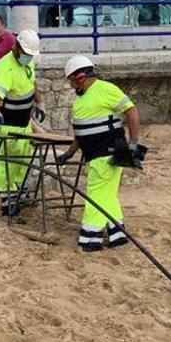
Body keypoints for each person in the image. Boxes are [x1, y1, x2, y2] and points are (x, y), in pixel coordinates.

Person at [59, 55, 141, 251]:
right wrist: (71, 152)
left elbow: (131, 111)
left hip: (107, 153)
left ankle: (90, 239)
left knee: (95, 196)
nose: (71, 86)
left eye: (71, 81)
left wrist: (133, 142)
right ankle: (117, 234)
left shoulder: (106, 89)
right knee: (107, 195)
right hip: (96, 154)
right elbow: (83, 130)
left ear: (79, 77)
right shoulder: (83, 99)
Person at [0, 30, 46, 216]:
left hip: (24, 124)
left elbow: (32, 83)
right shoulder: (5, 66)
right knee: (6, 164)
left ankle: (19, 193)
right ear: (17, 48)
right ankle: (8, 200)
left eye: (31, 55)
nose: (29, 58)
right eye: (27, 54)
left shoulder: (28, 62)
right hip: (8, 125)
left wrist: (40, 103)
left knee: (22, 161)